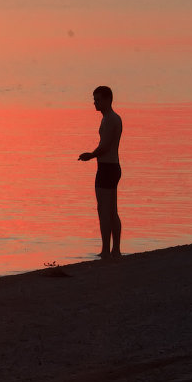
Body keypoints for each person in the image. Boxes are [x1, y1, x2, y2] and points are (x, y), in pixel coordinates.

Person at [78, 86, 123, 259]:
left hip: (107, 168)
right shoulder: (109, 119)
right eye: (94, 99)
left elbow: (105, 146)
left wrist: (90, 155)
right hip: (110, 167)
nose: (94, 102)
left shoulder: (111, 119)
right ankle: (115, 250)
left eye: (97, 99)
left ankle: (108, 250)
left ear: (107, 100)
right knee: (110, 210)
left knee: (105, 210)